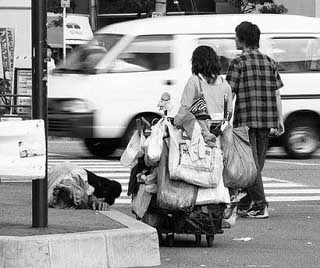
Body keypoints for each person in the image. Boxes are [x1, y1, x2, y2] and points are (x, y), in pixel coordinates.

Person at [226, 21, 284, 219]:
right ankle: (245, 202)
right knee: (256, 164)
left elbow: (229, 93)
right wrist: (279, 118)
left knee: (248, 165)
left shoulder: (238, 62)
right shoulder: (270, 61)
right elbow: (277, 94)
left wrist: (226, 117)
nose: (234, 39)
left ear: (242, 39)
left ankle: (260, 205)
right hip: (267, 120)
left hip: (246, 120)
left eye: (236, 36)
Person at [175, 45, 233, 145]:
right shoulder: (225, 84)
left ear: (196, 62)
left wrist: (177, 121)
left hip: (200, 134)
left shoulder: (194, 80)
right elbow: (229, 112)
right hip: (219, 132)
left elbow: (185, 107)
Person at [48, 162, 122, 211]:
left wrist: (95, 201)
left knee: (114, 188)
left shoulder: (78, 178)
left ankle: (106, 198)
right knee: (111, 189)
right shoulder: (50, 197)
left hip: (72, 172)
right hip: (66, 172)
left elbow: (89, 194)